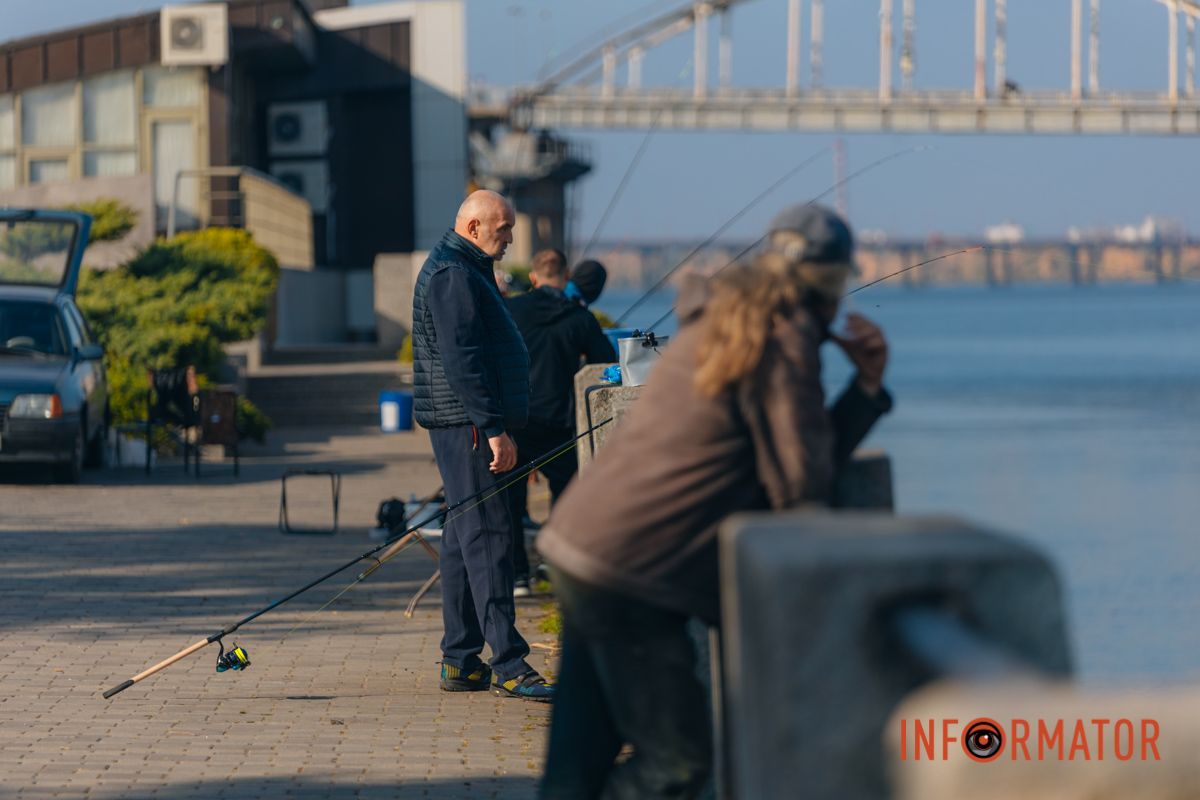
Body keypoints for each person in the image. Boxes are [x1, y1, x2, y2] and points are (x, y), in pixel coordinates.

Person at [536, 205, 893, 797]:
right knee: (676, 766)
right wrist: (867, 388)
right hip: (633, 572)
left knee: (576, 767)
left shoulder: (723, 320)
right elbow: (800, 482)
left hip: (581, 544)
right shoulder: (782, 340)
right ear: (829, 282)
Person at [410, 189, 553, 703]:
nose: (511, 238)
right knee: (489, 536)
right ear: (474, 227)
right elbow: (463, 359)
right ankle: (510, 663)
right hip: (469, 426)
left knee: (461, 536)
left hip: (463, 422)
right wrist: (493, 426)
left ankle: (460, 658)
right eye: (504, 229)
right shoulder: (454, 273)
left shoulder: (463, 264)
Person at [505, 249, 617, 594]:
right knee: (566, 495)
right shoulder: (580, 317)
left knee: (510, 499)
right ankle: (552, 562)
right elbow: (605, 363)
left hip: (517, 419)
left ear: (534, 278)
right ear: (566, 277)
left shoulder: (511, 310)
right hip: (559, 421)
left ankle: (517, 575)